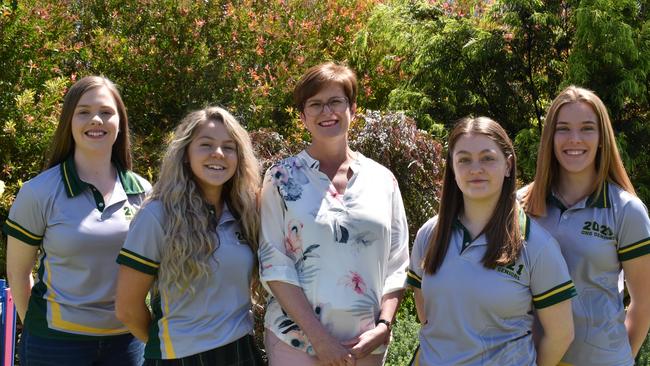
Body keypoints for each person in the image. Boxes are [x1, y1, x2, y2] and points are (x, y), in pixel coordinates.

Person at [258, 62, 409, 365]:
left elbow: (398, 263)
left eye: (336, 101)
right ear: (303, 117)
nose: (327, 111)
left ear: (353, 108)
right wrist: (320, 338)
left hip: (365, 344)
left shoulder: (383, 180)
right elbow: (274, 263)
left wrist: (384, 326)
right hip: (296, 341)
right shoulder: (279, 178)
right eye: (315, 104)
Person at [4, 76, 150, 365]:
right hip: (55, 346)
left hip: (127, 344)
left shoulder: (144, 192)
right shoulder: (39, 192)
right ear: (69, 122)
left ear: (120, 122)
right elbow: (18, 275)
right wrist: (37, 329)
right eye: (84, 112)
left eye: (106, 112)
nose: (96, 120)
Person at [407, 117, 576, 365]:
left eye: (487, 158)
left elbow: (561, 334)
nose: (476, 168)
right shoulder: (429, 235)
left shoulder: (537, 246)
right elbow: (427, 313)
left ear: (508, 165)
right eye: (464, 159)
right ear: (452, 169)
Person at [115, 106, 263, 365]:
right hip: (180, 357)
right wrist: (165, 344)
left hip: (241, 351)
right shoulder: (157, 215)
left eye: (229, 147)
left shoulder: (246, 212)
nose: (218, 153)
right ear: (185, 154)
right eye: (206, 144)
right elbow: (127, 308)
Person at [519, 86, 650, 365]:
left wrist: (616, 355)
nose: (574, 139)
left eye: (587, 128)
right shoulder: (520, 205)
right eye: (563, 128)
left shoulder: (627, 211)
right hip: (530, 359)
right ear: (550, 138)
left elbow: (644, 304)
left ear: (602, 138)